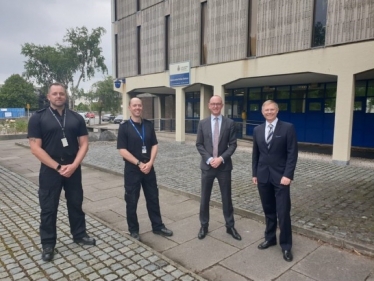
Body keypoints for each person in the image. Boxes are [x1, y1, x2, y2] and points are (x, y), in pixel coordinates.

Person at [27, 82, 96, 262]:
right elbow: (35, 148)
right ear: (48, 97)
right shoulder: (38, 118)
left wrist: (73, 165)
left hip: (73, 168)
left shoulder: (76, 118)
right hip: (50, 170)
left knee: (75, 203)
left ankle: (79, 234)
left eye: (62, 94)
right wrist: (57, 167)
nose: (58, 96)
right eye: (55, 94)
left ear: (66, 96)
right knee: (48, 208)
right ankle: (48, 244)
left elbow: (84, 144)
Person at [117, 97, 173, 241]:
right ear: (129, 107)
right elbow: (122, 150)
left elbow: (154, 145)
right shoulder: (124, 127)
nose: (137, 108)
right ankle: (133, 230)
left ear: (142, 107)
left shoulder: (148, 125)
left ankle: (158, 226)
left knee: (153, 198)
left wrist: (150, 162)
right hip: (132, 169)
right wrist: (138, 164)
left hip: (149, 168)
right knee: (132, 201)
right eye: (134, 105)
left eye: (139, 105)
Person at [252, 100, 298, 262]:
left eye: (272, 109)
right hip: (263, 176)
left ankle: (286, 246)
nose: (269, 112)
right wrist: (254, 173)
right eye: (266, 110)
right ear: (262, 112)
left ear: (277, 111)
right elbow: (256, 154)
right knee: (269, 210)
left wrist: (288, 175)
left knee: (283, 212)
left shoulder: (288, 128)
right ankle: (270, 238)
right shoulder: (257, 130)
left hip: (281, 178)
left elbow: (292, 154)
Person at [196, 95, 241, 240]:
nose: (215, 106)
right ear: (209, 105)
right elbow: (199, 144)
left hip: (224, 166)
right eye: (213, 104)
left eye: (218, 104)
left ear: (222, 105)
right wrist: (210, 159)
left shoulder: (230, 123)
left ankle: (230, 226)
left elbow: (233, 144)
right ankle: (204, 226)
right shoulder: (202, 123)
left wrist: (221, 159)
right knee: (205, 198)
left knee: (226, 198)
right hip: (207, 167)